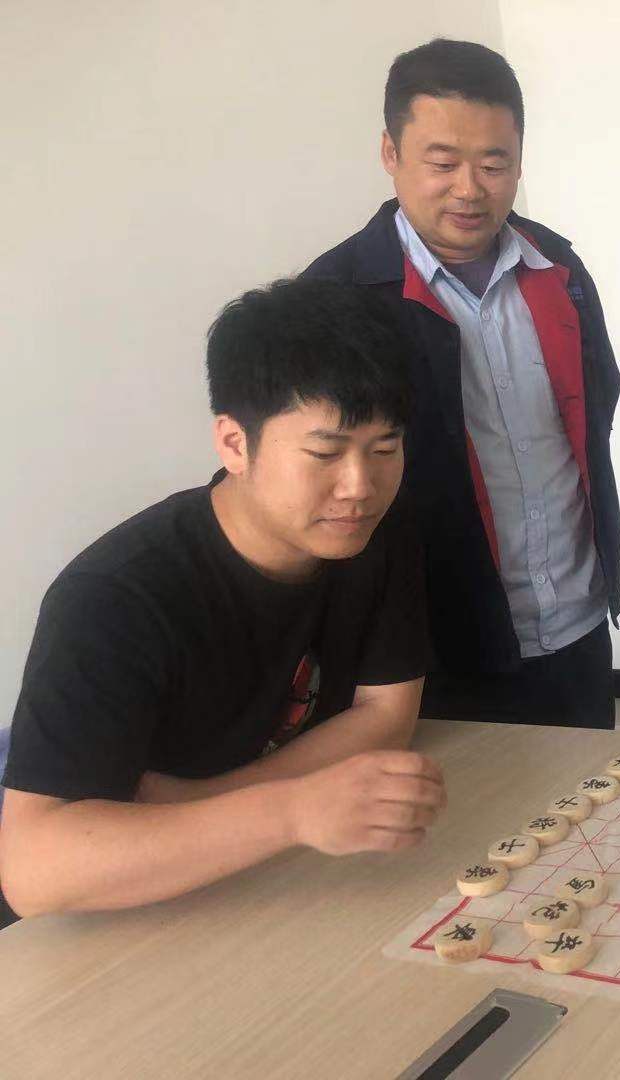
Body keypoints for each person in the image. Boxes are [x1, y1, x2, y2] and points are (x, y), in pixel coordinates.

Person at [0, 280, 444, 923]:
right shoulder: (115, 596)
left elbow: (387, 716)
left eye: (386, 448)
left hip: (269, 884)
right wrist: (292, 811)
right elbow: (33, 871)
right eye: (325, 452)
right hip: (118, 919)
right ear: (235, 444)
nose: (360, 486)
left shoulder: (373, 532)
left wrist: (199, 800)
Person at [304, 39, 620, 730]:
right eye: (443, 163)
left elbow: (594, 412)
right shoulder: (335, 299)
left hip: (577, 624)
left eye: (494, 164)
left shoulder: (558, 269)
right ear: (390, 153)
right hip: (433, 651)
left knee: (595, 799)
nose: (470, 189)